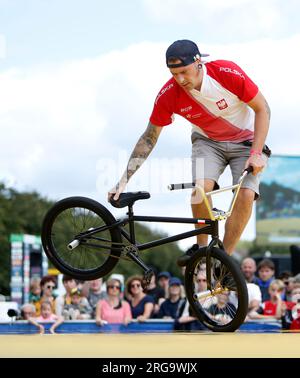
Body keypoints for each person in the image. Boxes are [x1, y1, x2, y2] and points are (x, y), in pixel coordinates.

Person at [108, 39, 271, 266]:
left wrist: (255, 153)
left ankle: (224, 262)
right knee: (200, 189)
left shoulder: (226, 73)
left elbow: (262, 108)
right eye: (174, 74)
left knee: (245, 195)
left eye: (184, 71)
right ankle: (202, 249)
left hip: (246, 142)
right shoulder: (169, 94)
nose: (180, 79)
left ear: (198, 62)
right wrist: (124, 180)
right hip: (207, 142)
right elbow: (148, 138)